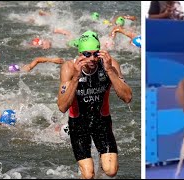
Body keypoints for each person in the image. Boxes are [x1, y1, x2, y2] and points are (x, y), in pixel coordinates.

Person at [57, 31, 132, 179]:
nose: (92, 58)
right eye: (87, 54)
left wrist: (110, 70)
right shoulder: (69, 68)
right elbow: (62, 106)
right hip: (78, 124)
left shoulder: (110, 64)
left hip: (101, 121)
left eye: (95, 54)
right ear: (79, 53)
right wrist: (76, 78)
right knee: (88, 175)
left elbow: (127, 97)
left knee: (111, 171)